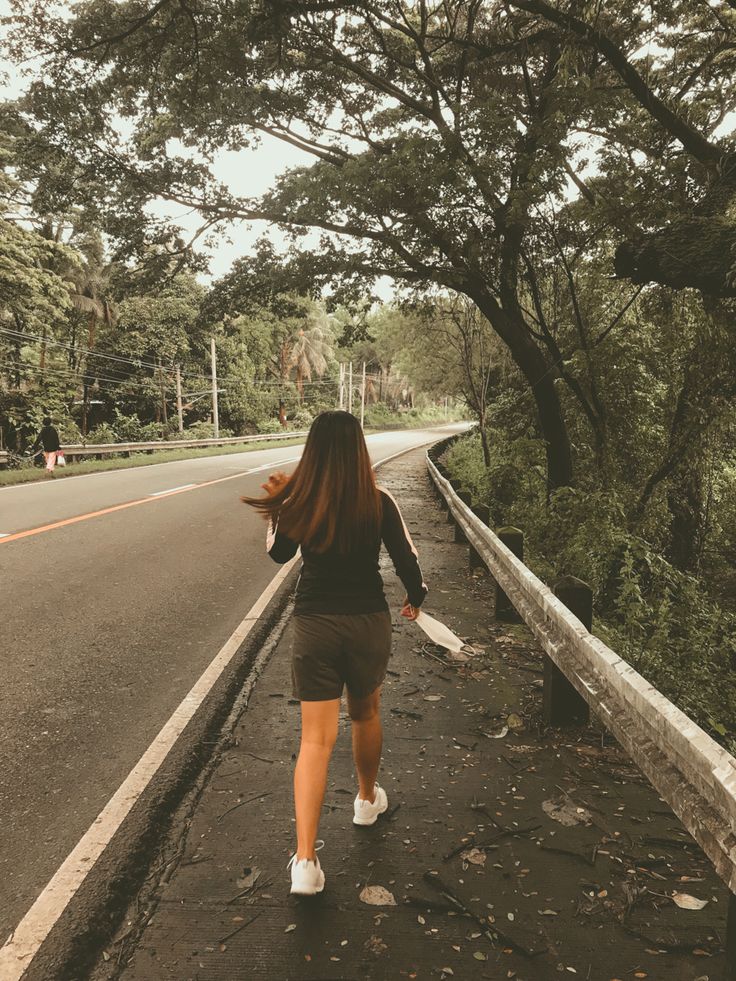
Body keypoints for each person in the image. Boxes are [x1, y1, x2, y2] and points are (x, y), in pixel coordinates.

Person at [243, 411, 428, 896]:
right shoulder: (379, 501)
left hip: (314, 626)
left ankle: (305, 862)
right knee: (366, 714)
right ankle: (367, 801)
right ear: (358, 451)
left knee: (314, 741)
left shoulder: (302, 503)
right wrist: (415, 598)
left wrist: (282, 505)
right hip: (367, 622)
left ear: (314, 452)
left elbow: (278, 556)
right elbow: (409, 561)